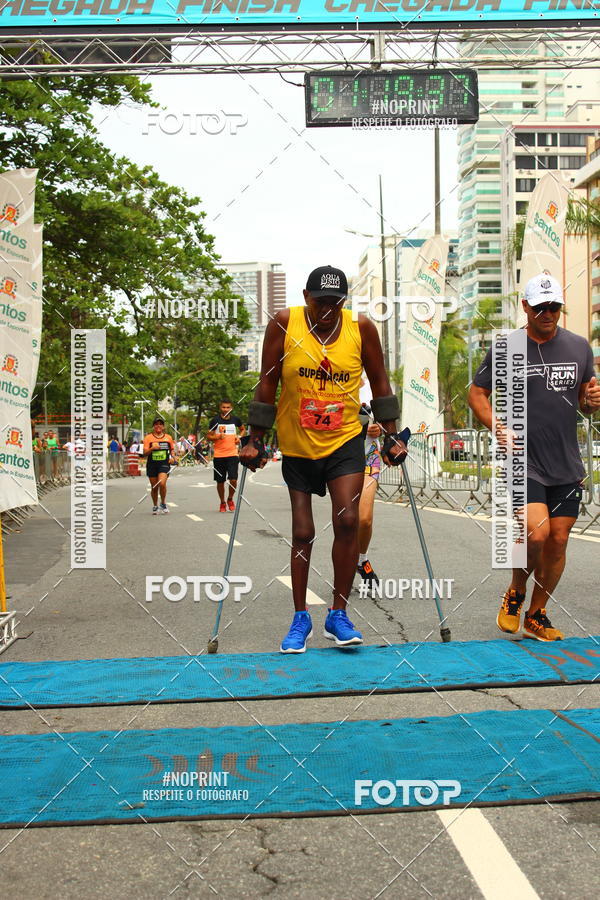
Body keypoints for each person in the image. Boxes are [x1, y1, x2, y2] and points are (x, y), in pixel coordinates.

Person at [240, 265, 408, 653]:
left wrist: (391, 435)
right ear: (306, 298)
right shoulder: (285, 323)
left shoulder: (361, 328)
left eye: (336, 302)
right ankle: (300, 617)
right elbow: (267, 381)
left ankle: (338, 613)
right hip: (298, 441)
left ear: (344, 302)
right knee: (303, 532)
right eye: (320, 303)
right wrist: (255, 439)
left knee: (348, 520)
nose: (328, 310)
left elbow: (380, 381)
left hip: (344, 440)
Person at [469, 273, 600, 642]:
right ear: (525, 306)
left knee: (558, 539)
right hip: (522, 461)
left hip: (566, 462)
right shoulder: (506, 348)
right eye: (540, 307)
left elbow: (584, 402)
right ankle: (516, 589)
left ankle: (536, 614)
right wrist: (498, 427)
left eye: (554, 306)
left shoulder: (579, 347)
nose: (548, 313)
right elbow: (477, 394)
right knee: (536, 532)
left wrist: (591, 402)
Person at [356, 375, 383, 591]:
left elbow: (385, 421)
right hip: (339, 457)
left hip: (369, 456)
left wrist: (378, 429)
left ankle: (361, 559)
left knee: (364, 519)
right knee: (345, 519)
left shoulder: (373, 386)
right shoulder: (334, 382)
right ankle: (344, 564)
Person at [207, 400, 246, 511]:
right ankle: (222, 502)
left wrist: (239, 437)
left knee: (233, 480)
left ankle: (230, 499)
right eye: (224, 407)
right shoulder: (215, 420)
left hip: (232, 454)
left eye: (228, 407)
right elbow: (208, 436)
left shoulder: (235, 420)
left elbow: (243, 429)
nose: (226, 409)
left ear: (231, 408)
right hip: (219, 456)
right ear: (220, 408)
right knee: (220, 481)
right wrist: (217, 437)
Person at [142, 417, 177, 514]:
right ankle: (155, 505)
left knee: (161, 483)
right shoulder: (148, 438)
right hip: (152, 465)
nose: (158, 426)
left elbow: (172, 450)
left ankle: (163, 503)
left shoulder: (168, 437)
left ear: (163, 427)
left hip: (164, 464)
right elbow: (144, 453)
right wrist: (152, 448)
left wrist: (173, 457)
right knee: (154, 487)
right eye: (156, 424)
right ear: (153, 426)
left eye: (160, 424)